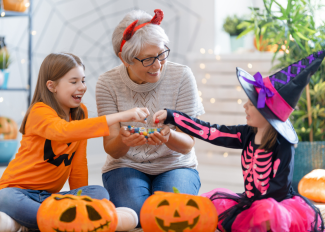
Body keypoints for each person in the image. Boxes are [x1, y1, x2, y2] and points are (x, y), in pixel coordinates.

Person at [153, 50, 325, 232]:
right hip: (249, 202)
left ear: (267, 115)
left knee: (267, 212)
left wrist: (255, 208)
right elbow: (211, 132)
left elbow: (280, 188)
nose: (245, 106)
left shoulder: (283, 145)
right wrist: (173, 116)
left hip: (276, 205)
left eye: (251, 104)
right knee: (209, 203)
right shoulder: (246, 134)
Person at [0, 53, 148, 231]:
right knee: (4, 197)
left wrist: (82, 200)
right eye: (74, 82)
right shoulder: (38, 112)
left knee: (98, 193)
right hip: (17, 191)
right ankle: (78, 221)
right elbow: (64, 131)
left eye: (83, 81)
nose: (82, 87)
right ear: (51, 86)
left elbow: (78, 165)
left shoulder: (80, 112)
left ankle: (36, 221)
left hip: (50, 198)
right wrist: (122, 116)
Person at [96, 9, 204, 226]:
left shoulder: (182, 76)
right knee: (135, 215)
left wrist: (168, 137)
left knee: (170, 217)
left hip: (176, 165)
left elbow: (188, 144)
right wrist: (124, 141)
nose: (158, 65)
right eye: (148, 60)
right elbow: (112, 148)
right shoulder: (107, 84)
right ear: (124, 59)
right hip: (125, 166)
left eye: (162, 54)